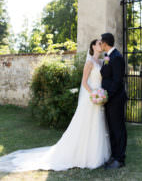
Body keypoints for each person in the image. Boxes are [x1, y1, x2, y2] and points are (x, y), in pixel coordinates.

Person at [0, 39, 111, 173]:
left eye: (102, 43)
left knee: (97, 125)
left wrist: (101, 94)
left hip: (99, 97)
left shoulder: (101, 62)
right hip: (91, 98)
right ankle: (82, 155)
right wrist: (94, 94)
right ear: (93, 46)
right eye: (99, 43)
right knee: (86, 125)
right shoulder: (89, 63)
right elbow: (84, 82)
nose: (101, 45)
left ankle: (95, 155)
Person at [100, 33, 128, 169]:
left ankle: (120, 159)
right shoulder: (108, 56)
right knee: (111, 129)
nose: (100, 44)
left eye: (101, 42)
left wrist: (107, 96)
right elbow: (105, 74)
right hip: (108, 99)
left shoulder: (117, 57)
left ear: (105, 43)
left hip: (115, 99)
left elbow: (117, 81)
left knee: (118, 129)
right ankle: (114, 156)